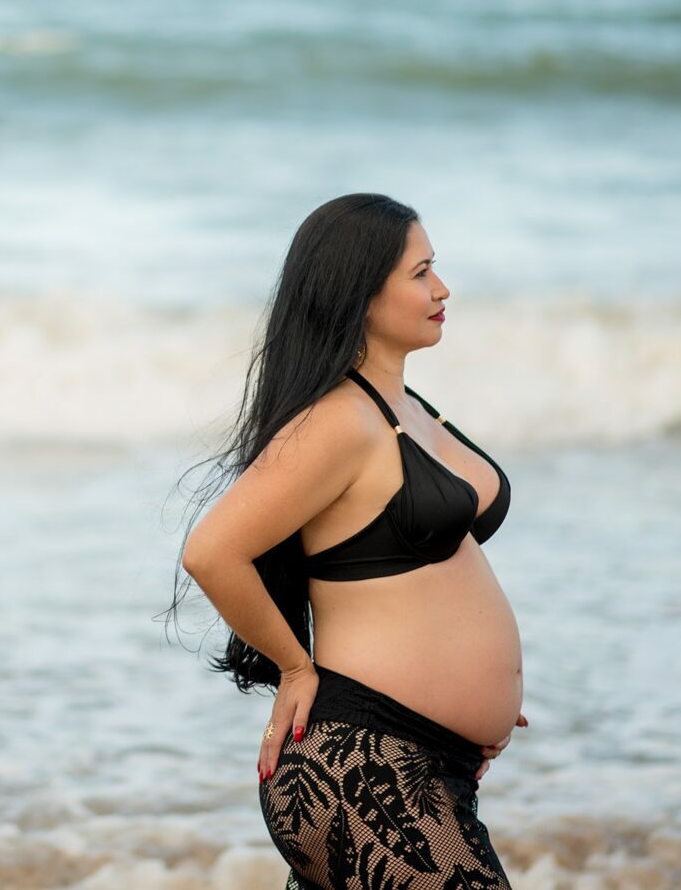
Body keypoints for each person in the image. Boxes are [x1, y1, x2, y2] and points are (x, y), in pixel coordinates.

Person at [166, 194, 525, 889]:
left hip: (423, 764)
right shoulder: (341, 421)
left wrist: (484, 693)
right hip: (366, 767)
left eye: (435, 268)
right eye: (420, 273)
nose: (442, 289)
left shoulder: (408, 410)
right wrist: (295, 668)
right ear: (360, 294)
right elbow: (212, 552)